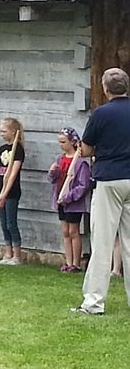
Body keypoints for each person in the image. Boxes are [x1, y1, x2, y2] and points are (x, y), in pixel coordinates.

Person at [72, 68, 130, 315]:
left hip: (109, 179)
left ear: (106, 89)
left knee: (103, 242)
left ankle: (94, 302)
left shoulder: (101, 113)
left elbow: (85, 150)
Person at [48, 127, 90, 273]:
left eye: (63, 142)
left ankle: (76, 263)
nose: (61, 145)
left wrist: (68, 197)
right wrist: (53, 172)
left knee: (73, 231)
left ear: (72, 142)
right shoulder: (60, 159)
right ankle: (68, 261)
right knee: (65, 231)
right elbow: (53, 180)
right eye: (59, 142)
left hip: (73, 204)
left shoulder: (80, 163)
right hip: (60, 201)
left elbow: (83, 186)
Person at [0, 117, 25, 265]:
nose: (2, 134)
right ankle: (7, 253)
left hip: (11, 193)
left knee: (11, 223)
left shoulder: (18, 149)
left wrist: (4, 194)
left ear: (13, 132)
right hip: (0, 191)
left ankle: (17, 256)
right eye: (0, 131)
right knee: (3, 224)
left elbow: (12, 175)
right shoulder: (2, 149)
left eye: (4, 131)